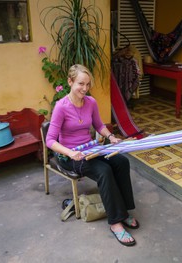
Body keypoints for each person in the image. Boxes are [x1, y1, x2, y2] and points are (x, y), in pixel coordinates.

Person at [46, 64, 139, 247]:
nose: (85, 88)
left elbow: (99, 125)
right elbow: (50, 140)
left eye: (88, 84)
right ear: (70, 82)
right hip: (72, 156)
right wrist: (71, 152)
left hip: (91, 149)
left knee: (121, 162)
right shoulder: (61, 107)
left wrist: (111, 137)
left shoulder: (91, 102)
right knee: (104, 171)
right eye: (81, 83)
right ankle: (115, 222)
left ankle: (125, 211)